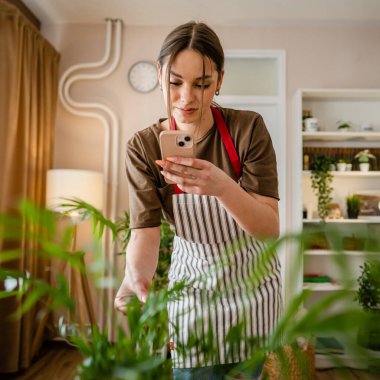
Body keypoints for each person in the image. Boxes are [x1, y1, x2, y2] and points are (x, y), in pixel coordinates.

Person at [115, 21, 282, 380]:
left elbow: (269, 229)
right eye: (175, 82)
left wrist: (222, 187)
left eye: (202, 84)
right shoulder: (143, 147)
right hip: (194, 293)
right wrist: (138, 278)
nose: (187, 97)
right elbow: (144, 232)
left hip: (253, 294)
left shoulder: (247, 129)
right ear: (160, 75)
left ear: (220, 80)